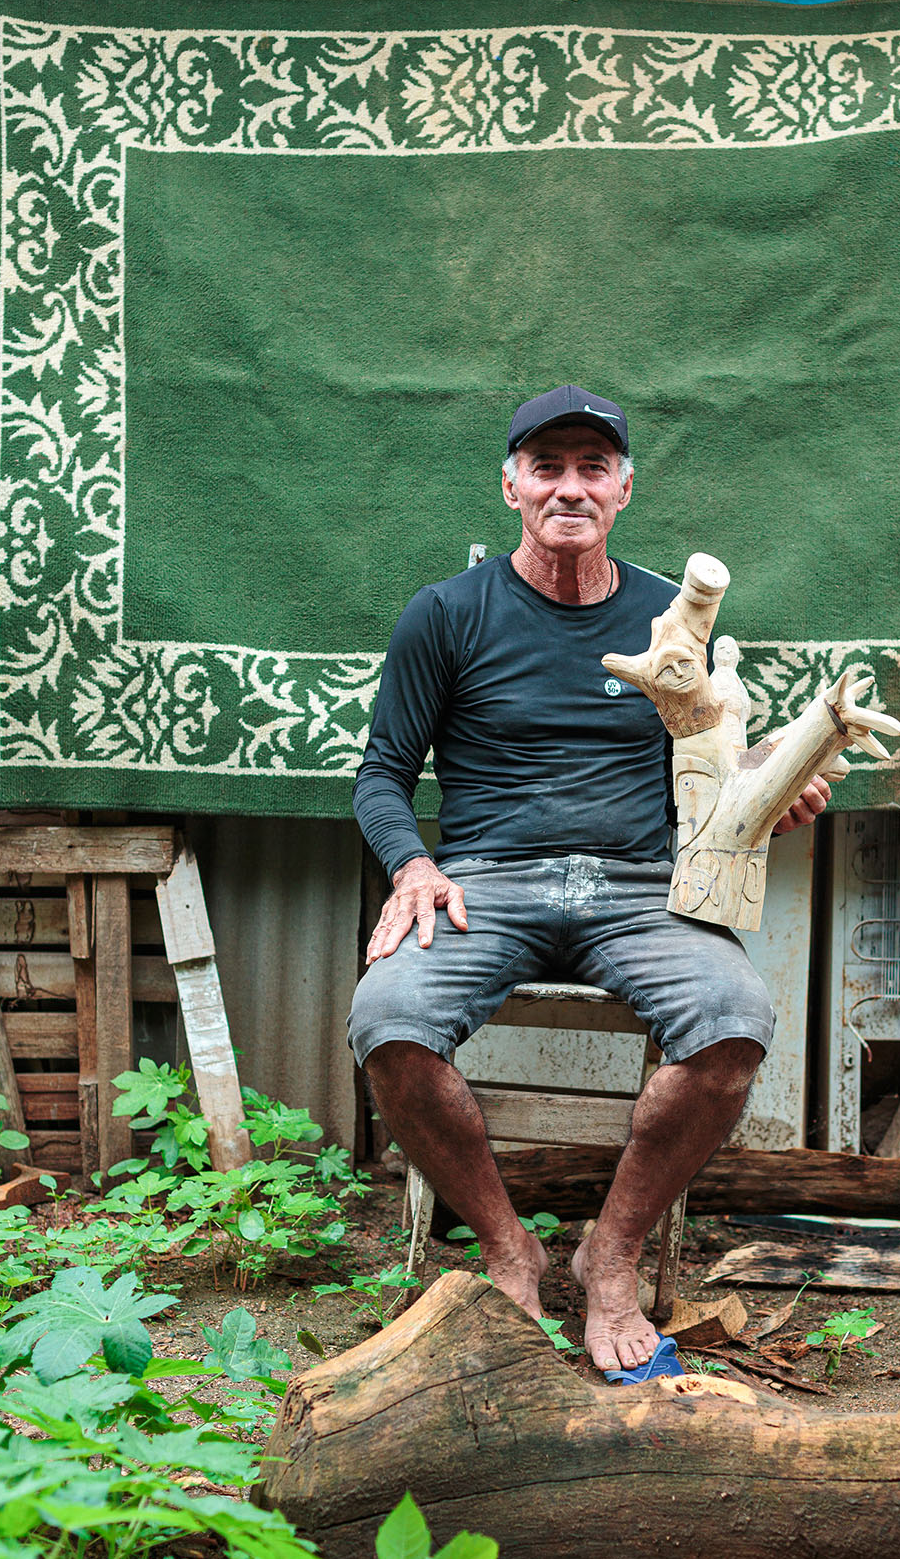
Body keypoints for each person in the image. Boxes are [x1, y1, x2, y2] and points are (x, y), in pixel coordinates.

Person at [348, 385, 828, 1372]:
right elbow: (381, 774)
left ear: (622, 488)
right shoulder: (444, 615)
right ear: (512, 484)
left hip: (639, 890)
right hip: (486, 885)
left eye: (591, 468)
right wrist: (414, 864)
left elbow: (709, 769)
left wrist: (766, 793)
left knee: (733, 1021)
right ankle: (505, 1247)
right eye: (548, 467)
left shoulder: (671, 617)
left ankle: (609, 1255)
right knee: (388, 1022)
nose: (569, 487)